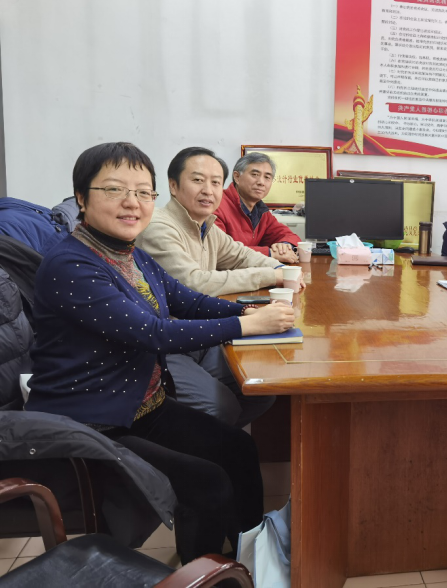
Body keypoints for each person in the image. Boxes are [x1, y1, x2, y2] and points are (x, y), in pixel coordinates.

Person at [25, 142, 297, 563]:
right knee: (207, 483)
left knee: (239, 450)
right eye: (114, 189)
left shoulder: (130, 253)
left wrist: (247, 311)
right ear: (81, 197)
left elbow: (187, 299)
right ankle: (206, 575)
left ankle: (251, 554)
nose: (131, 202)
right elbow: (153, 333)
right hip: (94, 421)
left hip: (143, 405)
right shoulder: (72, 265)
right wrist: (248, 325)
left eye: (142, 192)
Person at [136, 147, 297, 426]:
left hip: (202, 333)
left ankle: (215, 439)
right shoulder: (159, 225)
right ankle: (205, 440)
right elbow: (194, 283)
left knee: (262, 389)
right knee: (221, 407)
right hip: (168, 343)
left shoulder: (206, 225)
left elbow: (241, 254)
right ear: (173, 186)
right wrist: (272, 277)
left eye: (215, 182)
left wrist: (279, 269)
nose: (208, 190)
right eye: (198, 180)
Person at [214, 152, 301, 262]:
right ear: (237, 177)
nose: (261, 182)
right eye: (255, 175)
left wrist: (284, 246)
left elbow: (291, 236)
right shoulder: (216, 204)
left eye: (267, 177)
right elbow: (219, 251)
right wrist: (269, 253)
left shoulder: (261, 211)